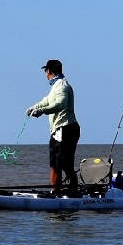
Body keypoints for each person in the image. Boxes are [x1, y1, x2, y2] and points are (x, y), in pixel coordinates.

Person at [26, 59, 80, 192]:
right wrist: (35, 107)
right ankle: (72, 191)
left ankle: (55, 193)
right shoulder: (56, 86)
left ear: (48, 71)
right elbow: (47, 101)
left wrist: (42, 111)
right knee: (66, 165)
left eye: (45, 71)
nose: (45, 74)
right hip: (66, 129)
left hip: (64, 129)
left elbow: (60, 104)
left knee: (56, 164)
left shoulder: (61, 86)